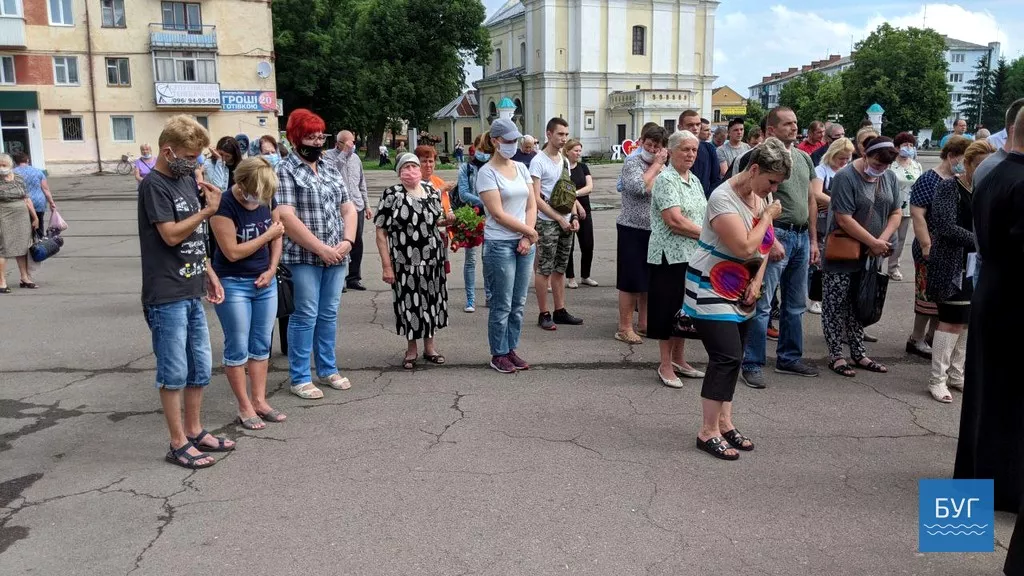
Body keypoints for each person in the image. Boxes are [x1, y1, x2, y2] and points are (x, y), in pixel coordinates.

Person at [137, 115, 233, 469]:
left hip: (192, 286)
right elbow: (171, 234)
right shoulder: (154, 185)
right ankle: (177, 443)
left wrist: (210, 273)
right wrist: (208, 211)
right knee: (174, 371)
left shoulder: (186, 180)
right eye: (191, 156)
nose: (196, 163)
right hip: (166, 293)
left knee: (200, 368)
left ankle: (194, 431)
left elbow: (194, 239)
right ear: (168, 151)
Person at [683, 138, 788, 460]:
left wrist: (757, 281)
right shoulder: (722, 198)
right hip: (710, 286)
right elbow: (744, 246)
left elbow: (764, 247)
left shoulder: (761, 195)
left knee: (736, 357)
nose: (775, 189)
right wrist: (768, 217)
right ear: (753, 169)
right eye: (771, 181)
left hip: (742, 289)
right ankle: (707, 431)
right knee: (725, 357)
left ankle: (725, 423)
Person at [953, 106, 1024, 527]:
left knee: (985, 393)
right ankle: (1007, 489)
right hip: (1015, 296)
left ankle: (973, 489)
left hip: (992, 290)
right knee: (1011, 399)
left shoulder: (991, 170)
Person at [275, 109, 358, 399]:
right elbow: (286, 217)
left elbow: (347, 207)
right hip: (303, 257)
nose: (316, 142)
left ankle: (327, 368)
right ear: (296, 138)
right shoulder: (284, 170)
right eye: (310, 137)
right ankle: (299, 376)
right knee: (305, 314)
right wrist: (320, 248)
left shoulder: (329, 168)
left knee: (329, 313)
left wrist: (347, 241)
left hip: (337, 254)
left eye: (320, 136)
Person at [740, 107, 821, 389]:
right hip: (777, 235)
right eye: (787, 124)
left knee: (796, 304)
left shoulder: (803, 158)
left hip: (800, 237)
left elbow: (811, 199)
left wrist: (813, 239)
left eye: (796, 123)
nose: (794, 128)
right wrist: (770, 239)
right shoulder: (759, 157)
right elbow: (752, 199)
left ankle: (788, 357)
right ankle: (752, 362)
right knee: (761, 303)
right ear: (771, 130)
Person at [209, 157, 286, 429]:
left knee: (261, 345)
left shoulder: (266, 194)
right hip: (233, 282)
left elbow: (278, 235)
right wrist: (266, 236)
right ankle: (244, 406)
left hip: (264, 281)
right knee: (238, 346)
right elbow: (231, 252)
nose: (261, 199)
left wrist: (272, 268)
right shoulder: (225, 205)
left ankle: (260, 400)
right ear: (241, 184)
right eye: (256, 193)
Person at [820, 136, 901, 377]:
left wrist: (881, 240)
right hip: (843, 252)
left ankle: (859, 352)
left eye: (885, 166)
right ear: (865, 155)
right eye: (877, 164)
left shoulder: (889, 177)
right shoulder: (845, 177)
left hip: (871, 253)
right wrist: (873, 242)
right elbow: (843, 218)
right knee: (835, 304)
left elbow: (896, 212)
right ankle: (836, 354)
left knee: (860, 302)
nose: (880, 170)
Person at [924, 140, 993, 402]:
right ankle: (937, 379)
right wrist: (981, 239)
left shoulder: (986, 188)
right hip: (951, 264)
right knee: (951, 321)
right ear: (966, 163)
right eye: (978, 165)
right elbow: (944, 225)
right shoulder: (948, 187)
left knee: (967, 321)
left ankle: (956, 374)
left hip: (977, 264)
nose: (983, 169)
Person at [374, 153, 452, 369]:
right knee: (410, 303)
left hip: (432, 260)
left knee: (431, 301)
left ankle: (430, 348)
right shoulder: (392, 194)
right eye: (406, 167)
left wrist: (451, 222)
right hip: (405, 261)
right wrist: (386, 265)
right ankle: (411, 349)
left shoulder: (430, 192)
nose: (411, 171)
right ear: (399, 171)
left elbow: (435, 222)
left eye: (414, 166)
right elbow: (381, 232)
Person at [477, 118, 539, 373]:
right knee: (502, 303)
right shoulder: (486, 173)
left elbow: (531, 204)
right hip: (500, 244)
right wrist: (530, 232)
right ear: (495, 141)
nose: (513, 145)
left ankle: (511, 348)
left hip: (524, 243)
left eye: (515, 140)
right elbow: (498, 214)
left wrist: (527, 237)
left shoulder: (521, 168)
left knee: (519, 302)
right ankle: (498, 353)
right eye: (508, 141)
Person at [648, 130, 707, 387]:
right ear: (670, 152)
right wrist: (710, 236)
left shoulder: (694, 180)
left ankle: (680, 360)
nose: (691, 154)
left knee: (685, 312)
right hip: (668, 256)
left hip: (692, 255)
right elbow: (674, 221)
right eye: (685, 149)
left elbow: (702, 214)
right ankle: (664, 364)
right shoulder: (665, 179)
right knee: (667, 310)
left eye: (694, 150)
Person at [907, 135, 969, 359]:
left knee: (943, 295)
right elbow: (918, 214)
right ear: (951, 156)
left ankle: (934, 336)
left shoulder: (959, 180)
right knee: (925, 296)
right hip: (930, 246)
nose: (965, 164)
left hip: (950, 249)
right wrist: (926, 245)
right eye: (963, 158)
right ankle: (916, 338)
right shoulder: (929, 179)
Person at [530, 117, 585, 330]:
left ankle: (560, 310)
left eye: (566, 135)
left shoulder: (563, 160)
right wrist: (559, 219)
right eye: (560, 134)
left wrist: (572, 217)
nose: (563, 139)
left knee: (560, 268)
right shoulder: (538, 161)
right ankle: (543, 313)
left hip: (565, 221)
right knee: (544, 268)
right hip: (547, 222)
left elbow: (567, 190)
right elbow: (536, 198)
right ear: (549, 134)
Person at [615, 125, 668, 345]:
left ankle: (644, 323)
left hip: (654, 230)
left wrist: (655, 171)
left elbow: (662, 190)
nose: (653, 150)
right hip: (632, 229)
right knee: (631, 281)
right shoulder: (633, 163)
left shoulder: (663, 168)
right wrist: (655, 167)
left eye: (657, 147)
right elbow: (639, 187)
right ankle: (624, 327)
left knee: (648, 281)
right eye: (649, 145)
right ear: (641, 142)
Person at [807, 137, 854, 314]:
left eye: (847, 158)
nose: (844, 162)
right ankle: (814, 298)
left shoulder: (848, 170)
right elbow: (817, 194)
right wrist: (840, 205)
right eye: (841, 158)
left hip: (840, 224)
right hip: (822, 222)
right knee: (818, 263)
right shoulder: (821, 170)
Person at [325, 130, 372, 291]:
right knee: (340, 242)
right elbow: (330, 174)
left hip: (357, 205)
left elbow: (361, 183)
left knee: (357, 242)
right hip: (339, 207)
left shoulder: (356, 158)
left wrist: (367, 205)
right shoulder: (329, 157)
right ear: (339, 143)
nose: (353, 145)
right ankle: (339, 279)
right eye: (350, 142)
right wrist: (343, 154)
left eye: (354, 141)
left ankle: (353, 277)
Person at [457, 133, 494, 312]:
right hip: (472, 216)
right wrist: (485, 201)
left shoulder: (495, 167)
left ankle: (489, 295)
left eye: (487, 149)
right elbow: (464, 193)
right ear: (475, 148)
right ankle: (470, 299)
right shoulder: (466, 168)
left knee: (488, 259)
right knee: (471, 259)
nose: (484, 153)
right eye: (481, 149)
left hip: (492, 217)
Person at [886, 132, 922, 282]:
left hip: (907, 208)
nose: (909, 148)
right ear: (897, 147)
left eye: (911, 145)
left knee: (900, 239)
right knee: (886, 237)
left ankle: (893, 267)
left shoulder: (916, 165)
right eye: (905, 145)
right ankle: (876, 265)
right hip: (890, 207)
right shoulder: (890, 164)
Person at [0, 154, 38, 293]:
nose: (1, 168)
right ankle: (2, 282)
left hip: (21, 216)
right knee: (3, 248)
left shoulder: (19, 179)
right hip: (3, 215)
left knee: (22, 247)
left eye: (4, 165)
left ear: (10, 166)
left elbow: (27, 198)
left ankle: (25, 278)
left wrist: (35, 217)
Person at [563, 139, 596, 289]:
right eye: (575, 150)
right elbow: (564, 188)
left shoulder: (583, 167)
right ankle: (570, 277)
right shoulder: (563, 168)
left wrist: (574, 193)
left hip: (586, 209)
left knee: (588, 244)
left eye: (579, 150)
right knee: (569, 246)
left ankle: (585, 275)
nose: (578, 153)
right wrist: (576, 202)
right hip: (568, 210)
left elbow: (589, 187)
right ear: (568, 151)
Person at [678, 110, 722, 198]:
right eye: (690, 125)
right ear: (680, 127)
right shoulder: (673, 150)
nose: (695, 128)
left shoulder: (709, 149)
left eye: (698, 124)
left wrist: (706, 199)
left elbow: (715, 179)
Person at [12, 152, 55, 238]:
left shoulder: (12, 173)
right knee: (39, 222)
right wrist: (51, 202)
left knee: (24, 225)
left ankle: (28, 245)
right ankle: (40, 243)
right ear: (27, 160)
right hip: (39, 201)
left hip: (22, 202)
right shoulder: (38, 172)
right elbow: (45, 189)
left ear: (14, 162)